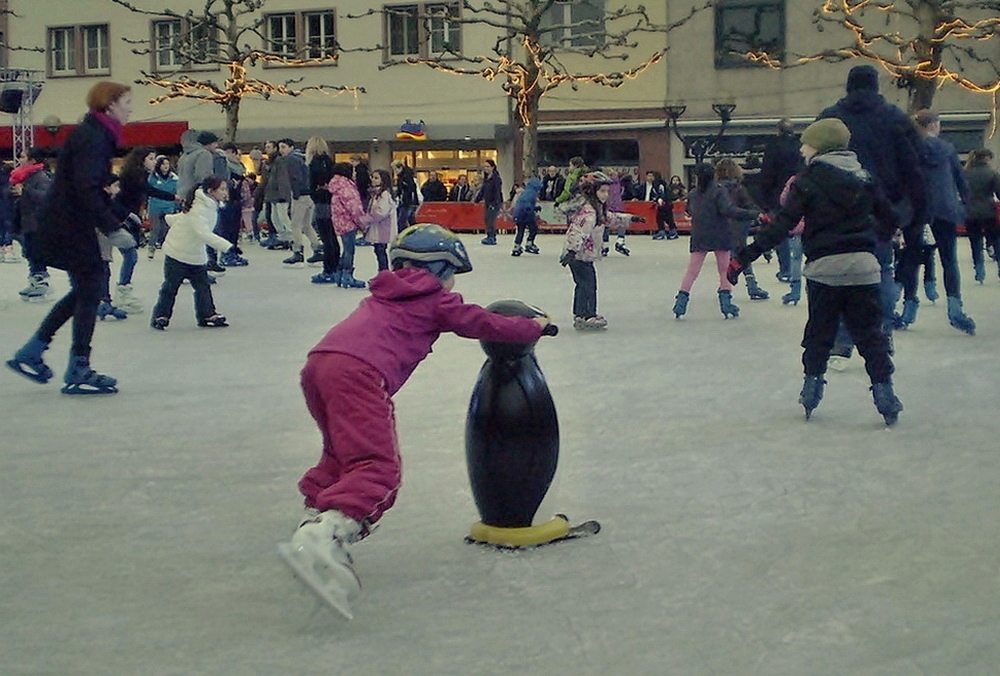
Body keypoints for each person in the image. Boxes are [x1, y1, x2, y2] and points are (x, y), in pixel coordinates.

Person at [286, 223, 550, 615]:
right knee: (377, 467)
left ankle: (315, 516)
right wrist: (533, 326)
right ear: (441, 269)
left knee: (342, 454)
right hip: (361, 374)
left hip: (320, 364)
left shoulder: (386, 292)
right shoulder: (433, 298)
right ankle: (328, 535)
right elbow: (482, 322)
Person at [728, 118, 903, 425]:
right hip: (864, 268)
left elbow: (781, 226)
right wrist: (871, 240)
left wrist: (744, 257)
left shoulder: (806, 181)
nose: (801, 148)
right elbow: (889, 220)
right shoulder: (865, 179)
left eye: (806, 143)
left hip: (824, 270)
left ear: (819, 146)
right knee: (870, 334)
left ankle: (811, 388)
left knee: (820, 333)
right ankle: (884, 391)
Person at [6, 81, 136, 395]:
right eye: (128, 102)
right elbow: (85, 188)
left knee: (86, 289)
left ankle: (36, 351)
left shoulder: (95, 134)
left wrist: (117, 215)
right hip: (68, 226)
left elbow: (91, 186)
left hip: (66, 223)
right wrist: (112, 227)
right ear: (110, 105)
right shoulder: (94, 137)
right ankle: (75, 365)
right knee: (90, 287)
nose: (131, 108)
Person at [817, 64, 925, 362]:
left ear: (848, 86)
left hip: (837, 212)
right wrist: (908, 211)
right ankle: (882, 330)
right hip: (881, 211)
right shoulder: (894, 119)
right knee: (880, 272)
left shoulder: (830, 118)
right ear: (876, 86)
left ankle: (841, 339)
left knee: (839, 275)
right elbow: (914, 167)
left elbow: (813, 162)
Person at [905, 109, 974, 334]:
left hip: (916, 211)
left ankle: (908, 307)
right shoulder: (948, 149)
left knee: (912, 258)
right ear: (934, 125)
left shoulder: (909, 148)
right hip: (945, 209)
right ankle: (955, 308)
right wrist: (964, 205)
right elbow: (960, 181)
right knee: (949, 259)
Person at [671, 162, 760, 320]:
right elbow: (729, 210)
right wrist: (753, 214)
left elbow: (689, 210)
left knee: (692, 271)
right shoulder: (719, 191)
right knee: (724, 270)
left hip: (699, 234)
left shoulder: (693, 193)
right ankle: (726, 303)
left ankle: (681, 302)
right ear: (713, 175)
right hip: (721, 233)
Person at [559, 171, 641, 330]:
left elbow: (611, 217)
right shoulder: (589, 214)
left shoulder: (597, 210)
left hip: (580, 255)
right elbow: (578, 232)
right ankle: (588, 315)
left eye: (607, 192)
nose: (605, 195)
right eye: (602, 191)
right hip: (578, 255)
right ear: (592, 191)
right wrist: (571, 251)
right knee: (588, 284)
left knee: (583, 284)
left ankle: (580, 314)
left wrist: (630, 219)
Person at [150, 176, 233, 330]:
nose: (225, 192)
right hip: (178, 252)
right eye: (222, 189)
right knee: (170, 287)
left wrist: (166, 218)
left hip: (195, 255)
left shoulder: (207, 205)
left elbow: (182, 218)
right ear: (210, 191)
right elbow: (204, 233)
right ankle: (160, 316)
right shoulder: (200, 209)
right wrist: (228, 247)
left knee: (203, 286)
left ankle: (207, 314)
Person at [113, 146, 173, 312]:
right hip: (118, 219)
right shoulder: (133, 177)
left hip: (126, 218)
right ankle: (118, 295)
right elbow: (149, 191)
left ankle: (121, 293)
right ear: (141, 160)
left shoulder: (140, 175)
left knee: (129, 255)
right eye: (151, 158)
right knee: (128, 255)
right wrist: (127, 215)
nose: (155, 162)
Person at [715, 158, 769, 300]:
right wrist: (759, 214)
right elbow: (748, 204)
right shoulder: (737, 188)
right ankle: (752, 286)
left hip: (720, 226)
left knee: (726, 258)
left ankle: (725, 287)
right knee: (741, 255)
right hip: (739, 225)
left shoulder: (715, 188)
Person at [757, 118, 803, 281]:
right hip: (800, 192)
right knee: (799, 229)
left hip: (777, 195)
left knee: (781, 230)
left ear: (778, 131)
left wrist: (764, 198)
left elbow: (767, 174)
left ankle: (786, 268)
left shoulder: (773, 147)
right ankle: (798, 266)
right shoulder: (800, 146)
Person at [9, 147, 54, 302]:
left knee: (36, 254)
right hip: (26, 221)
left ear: (32, 160)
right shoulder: (24, 177)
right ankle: (34, 281)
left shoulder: (40, 177)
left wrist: (25, 192)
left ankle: (41, 283)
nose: (19, 160)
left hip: (37, 223)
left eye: (23, 157)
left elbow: (47, 197)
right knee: (30, 253)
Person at [306, 136, 340, 284]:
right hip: (331, 201)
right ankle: (336, 266)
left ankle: (328, 270)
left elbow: (311, 184)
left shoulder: (314, 163)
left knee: (326, 237)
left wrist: (314, 192)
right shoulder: (329, 161)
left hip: (321, 201)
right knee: (332, 236)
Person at [328, 162, 367, 288]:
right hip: (348, 222)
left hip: (340, 222)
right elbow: (354, 207)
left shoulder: (337, 186)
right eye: (353, 171)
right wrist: (362, 222)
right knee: (349, 250)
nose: (355, 174)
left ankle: (340, 274)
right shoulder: (346, 187)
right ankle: (347, 275)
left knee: (346, 249)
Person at [964, 148, 1000, 281]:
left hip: (970, 213)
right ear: (986, 158)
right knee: (996, 239)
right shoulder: (992, 173)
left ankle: (979, 270)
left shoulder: (965, 173)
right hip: (989, 211)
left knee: (975, 241)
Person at [216, 142, 250, 268]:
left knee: (235, 228)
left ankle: (233, 251)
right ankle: (226, 254)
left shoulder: (239, 166)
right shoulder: (224, 165)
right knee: (226, 228)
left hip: (237, 200)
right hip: (227, 200)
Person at [358, 169, 397, 272]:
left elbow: (381, 212)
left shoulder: (384, 194)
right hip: (377, 228)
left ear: (383, 180)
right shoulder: (376, 194)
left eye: (376, 178)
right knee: (378, 251)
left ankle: (384, 274)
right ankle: (382, 274)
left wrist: (365, 219)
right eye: (372, 177)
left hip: (382, 229)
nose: (373, 180)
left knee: (380, 252)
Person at [146, 155, 178, 259]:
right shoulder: (152, 177)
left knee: (166, 229)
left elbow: (176, 193)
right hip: (155, 206)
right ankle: (151, 248)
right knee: (155, 229)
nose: (166, 166)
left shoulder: (174, 178)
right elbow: (149, 191)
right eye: (163, 164)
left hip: (169, 206)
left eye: (167, 164)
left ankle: (168, 249)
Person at [637, 170, 677, 240]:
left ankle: (663, 232)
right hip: (667, 203)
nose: (652, 178)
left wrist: (660, 198)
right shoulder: (659, 184)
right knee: (668, 218)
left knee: (660, 218)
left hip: (664, 203)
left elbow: (661, 193)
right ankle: (672, 232)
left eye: (653, 176)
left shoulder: (659, 184)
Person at [511, 177, 542, 256]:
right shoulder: (532, 192)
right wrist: (531, 208)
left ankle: (516, 246)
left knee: (520, 230)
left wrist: (533, 208)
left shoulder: (526, 191)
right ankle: (529, 243)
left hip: (518, 212)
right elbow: (526, 202)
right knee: (534, 228)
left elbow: (521, 202)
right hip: (526, 213)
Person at [475, 159, 503, 245]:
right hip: (487, 202)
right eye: (485, 167)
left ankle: (492, 237)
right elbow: (483, 190)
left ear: (493, 167)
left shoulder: (496, 179)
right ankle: (489, 235)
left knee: (491, 219)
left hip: (494, 202)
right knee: (487, 219)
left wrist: (496, 203)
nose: (486, 168)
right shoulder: (486, 179)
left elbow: (498, 192)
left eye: (488, 166)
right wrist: (477, 199)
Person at [391, 160, 419, 233]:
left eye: (395, 169)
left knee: (401, 221)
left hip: (408, 202)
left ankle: (404, 236)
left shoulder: (406, 177)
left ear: (400, 167)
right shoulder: (402, 177)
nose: (395, 171)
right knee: (410, 220)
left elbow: (410, 189)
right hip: (406, 202)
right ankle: (413, 234)